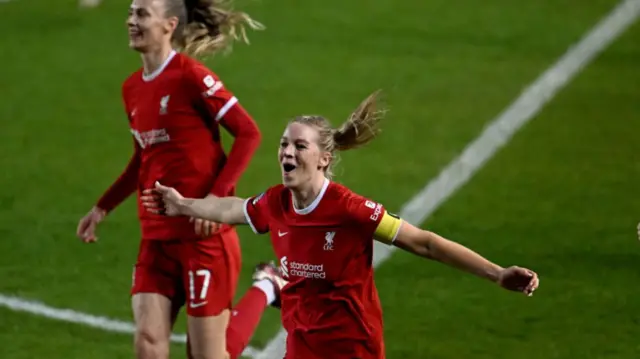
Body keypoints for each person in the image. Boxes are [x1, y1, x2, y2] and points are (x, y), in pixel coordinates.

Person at [141, 90, 541, 359]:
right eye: (284, 144)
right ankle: (271, 286)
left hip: (352, 345)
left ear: (323, 159)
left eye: (300, 145)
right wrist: (183, 204)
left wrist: (497, 273)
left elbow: (425, 243)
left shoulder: (350, 209)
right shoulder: (276, 202)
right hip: (301, 339)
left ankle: (268, 286)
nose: (287, 152)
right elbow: (234, 210)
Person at [75, 0, 275, 358]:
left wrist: (214, 201)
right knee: (148, 343)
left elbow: (249, 133)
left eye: (140, 14)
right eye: (130, 13)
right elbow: (144, 157)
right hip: (155, 237)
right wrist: (102, 207)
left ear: (168, 25)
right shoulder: (132, 88)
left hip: (203, 238)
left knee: (209, 355)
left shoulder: (190, 76)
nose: (130, 21)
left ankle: (266, 286)